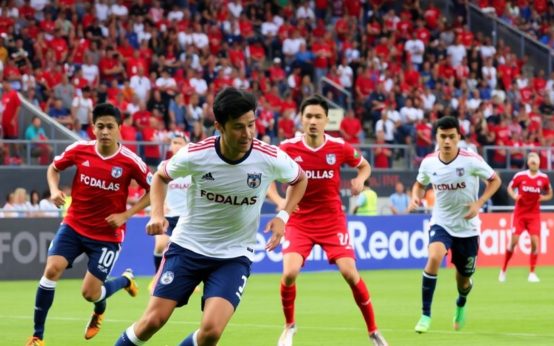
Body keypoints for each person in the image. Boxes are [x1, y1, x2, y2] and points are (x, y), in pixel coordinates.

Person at [114, 87, 308, 346]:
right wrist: (157, 214)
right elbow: (161, 176)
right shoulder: (196, 154)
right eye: (239, 127)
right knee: (152, 322)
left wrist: (283, 215)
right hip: (188, 247)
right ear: (219, 126)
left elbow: (300, 178)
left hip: (234, 255)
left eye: (251, 125)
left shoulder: (269, 157)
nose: (248, 134)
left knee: (211, 332)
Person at [26, 103, 152, 346]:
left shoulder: (130, 161)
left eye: (110, 127)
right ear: (93, 128)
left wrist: (126, 215)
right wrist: (53, 190)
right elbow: (54, 168)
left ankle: (122, 283)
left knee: (90, 293)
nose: (105, 131)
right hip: (74, 225)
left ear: (119, 129)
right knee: (51, 269)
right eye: (100, 126)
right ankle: (37, 337)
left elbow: (153, 189)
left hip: (107, 235)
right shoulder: (79, 150)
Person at [267, 95, 388, 346]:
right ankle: (289, 326)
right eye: (308, 116)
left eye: (318, 117)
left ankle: (374, 331)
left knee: (349, 273)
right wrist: (280, 202)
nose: (312, 121)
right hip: (299, 220)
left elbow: (364, 166)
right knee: (289, 273)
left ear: (326, 120)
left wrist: (360, 180)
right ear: (301, 119)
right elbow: (268, 177)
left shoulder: (338, 146)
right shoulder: (287, 148)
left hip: (332, 220)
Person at [408, 116, 501, 333]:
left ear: (459, 136)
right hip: (441, 223)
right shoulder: (429, 162)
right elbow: (419, 184)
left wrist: (479, 203)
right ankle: (425, 314)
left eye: (451, 136)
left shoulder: (471, 160)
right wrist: (416, 196)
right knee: (434, 257)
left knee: (464, 281)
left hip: (468, 228)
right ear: (437, 138)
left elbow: (495, 180)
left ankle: (460, 302)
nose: (447, 141)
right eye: (443, 137)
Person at [499, 152, 552, 283]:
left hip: (534, 215)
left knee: (535, 243)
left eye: (536, 160)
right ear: (528, 163)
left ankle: (532, 273)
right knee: (513, 242)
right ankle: (503, 271)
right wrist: (514, 196)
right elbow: (510, 188)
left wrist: (543, 197)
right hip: (520, 214)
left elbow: (549, 193)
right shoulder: (520, 176)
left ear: (539, 163)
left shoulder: (544, 178)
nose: (534, 162)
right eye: (532, 160)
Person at [151, 132, 191, 279]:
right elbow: (157, 187)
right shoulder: (164, 166)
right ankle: (157, 277)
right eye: (174, 143)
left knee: (187, 251)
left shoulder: (192, 167)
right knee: (160, 245)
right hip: (168, 215)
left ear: (186, 146)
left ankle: (188, 279)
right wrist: (162, 204)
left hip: (186, 217)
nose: (176, 146)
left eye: (179, 143)